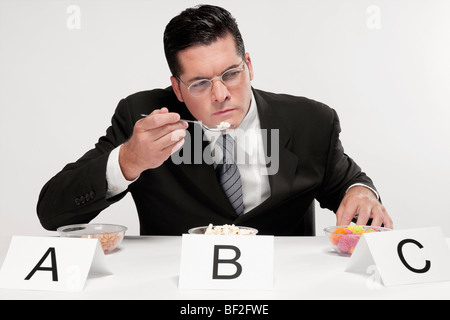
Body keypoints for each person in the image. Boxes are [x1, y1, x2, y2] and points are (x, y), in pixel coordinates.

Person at [37, 5, 393, 235]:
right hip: (176, 287)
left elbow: (350, 184)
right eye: (200, 83)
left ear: (249, 65)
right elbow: (52, 212)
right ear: (176, 88)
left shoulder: (311, 120)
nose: (220, 93)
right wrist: (127, 161)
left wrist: (361, 193)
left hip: (283, 284)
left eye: (232, 74)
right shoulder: (142, 117)